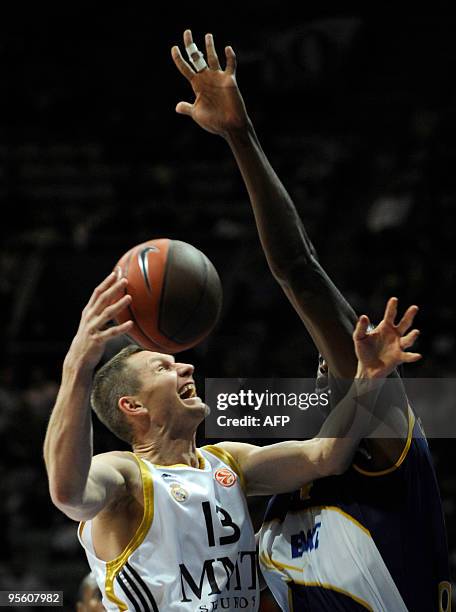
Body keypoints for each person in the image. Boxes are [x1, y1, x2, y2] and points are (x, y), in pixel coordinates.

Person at [171, 30, 452, 611]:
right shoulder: (281, 497)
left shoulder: (389, 445)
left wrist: (241, 137)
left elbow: (298, 268)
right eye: (320, 362)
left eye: (338, 361)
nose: (326, 366)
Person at [43, 267, 418, 609]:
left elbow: (326, 456)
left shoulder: (227, 461)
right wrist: (77, 365)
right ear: (133, 405)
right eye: (164, 367)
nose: (187, 366)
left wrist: (367, 379)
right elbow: (67, 492)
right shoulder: (125, 475)